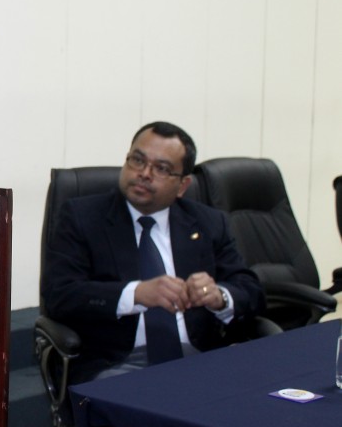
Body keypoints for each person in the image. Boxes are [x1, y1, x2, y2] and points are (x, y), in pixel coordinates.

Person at [41, 121, 265, 385]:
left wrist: (219, 296)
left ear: (182, 186)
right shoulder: (82, 217)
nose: (144, 173)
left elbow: (250, 290)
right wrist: (136, 293)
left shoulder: (208, 222)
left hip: (199, 358)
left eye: (161, 168)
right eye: (138, 160)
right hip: (116, 362)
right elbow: (60, 295)